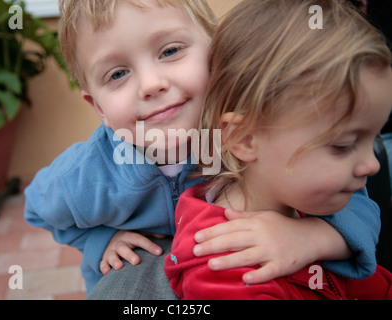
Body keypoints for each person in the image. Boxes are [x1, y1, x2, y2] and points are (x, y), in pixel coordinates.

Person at [25, 0, 382, 298]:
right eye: (117, 74)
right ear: (99, 107)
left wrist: (313, 237)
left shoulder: (253, 133)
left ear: (216, 51)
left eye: (170, 51)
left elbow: (357, 202)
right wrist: (99, 240)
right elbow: (37, 207)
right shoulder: (87, 175)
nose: (151, 84)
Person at [165, 0, 392, 300]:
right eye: (343, 145)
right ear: (244, 139)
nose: (372, 165)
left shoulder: (302, 193)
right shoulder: (227, 267)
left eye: (373, 138)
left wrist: (316, 237)